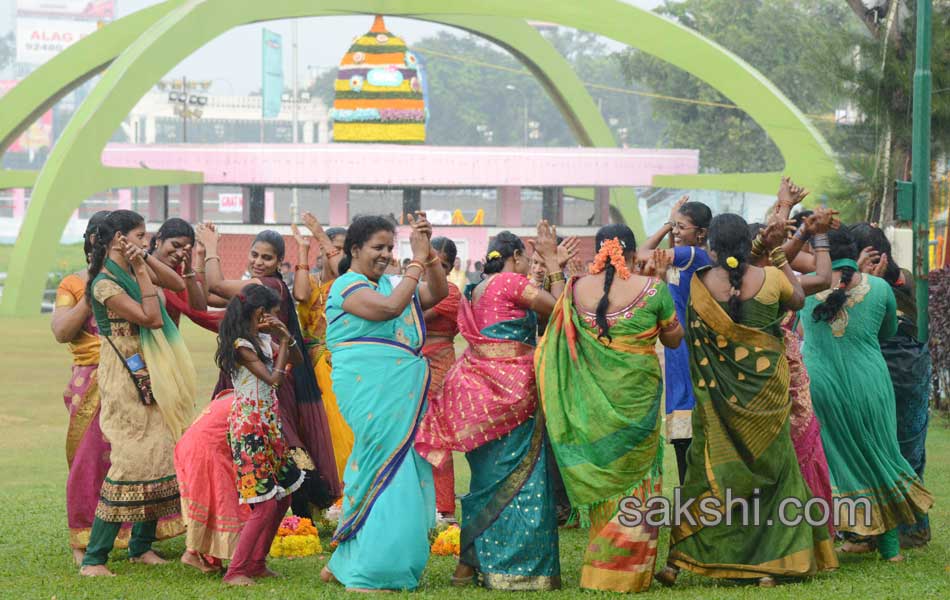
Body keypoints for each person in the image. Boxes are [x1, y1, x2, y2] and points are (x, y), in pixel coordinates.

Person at [658, 213, 836, 587]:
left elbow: (690, 340)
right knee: (774, 474)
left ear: (711, 248)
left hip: (719, 402)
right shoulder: (770, 278)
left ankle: (678, 560)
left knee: (706, 473)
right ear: (747, 244)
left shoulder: (699, 285)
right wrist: (781, 257)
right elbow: (800, 299)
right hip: (767, 397)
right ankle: (772, 566)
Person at [536, 224, 684, 593]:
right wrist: (663, 279)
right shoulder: (654, 291)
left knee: (606, 474)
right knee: (637, 481)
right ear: (632, 255)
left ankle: (601, 569)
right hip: (640, 398)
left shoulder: (574, 290)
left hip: (594, 401)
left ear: (598, 253)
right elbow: (675, 338)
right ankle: (627, 572)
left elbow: (559, 319)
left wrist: (556, 267)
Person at [419, 224, 567, 591]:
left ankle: (466, 568)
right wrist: (554, 266)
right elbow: (563, 313)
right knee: (523, 481)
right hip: (513, 393)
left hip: (477, 394)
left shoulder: (476, 289)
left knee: (487, 481)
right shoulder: (509, 283)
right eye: (526, 259)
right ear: (515, 257)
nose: (528, 266)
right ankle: (517, 571)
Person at [320, 213, 448, 592]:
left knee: (388, 466)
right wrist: (414, 264)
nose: (385, 254)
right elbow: (390, 309)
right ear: (354, 249)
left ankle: (342, 559)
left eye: (390, 247)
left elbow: (437, 294)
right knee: (382, 464)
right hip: (369, 389)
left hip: (397, 393)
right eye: (378, 247)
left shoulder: (395, 284)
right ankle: (375, 567)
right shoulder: (346, 285)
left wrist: (429, 257)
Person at [801, 227, 933, 561]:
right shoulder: (880, 288)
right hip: (871, 384)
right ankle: (890, 550)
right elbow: (889, 330)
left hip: (821, 386)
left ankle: (831, 548)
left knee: (833, 462)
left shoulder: (801, 288)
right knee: (879, 455)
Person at [80, 210, 197, 577]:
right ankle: (94, 559)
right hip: (124, 371)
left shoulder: (135, 266)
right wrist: (143, 270)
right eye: (140, 235)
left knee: (162, 449)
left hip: (154, 366)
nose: (147, 241)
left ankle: (140, 547)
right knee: (131, 458)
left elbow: (177, 286)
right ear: (118, 239)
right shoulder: (103, 283)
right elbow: (151, 317)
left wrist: (142, 259)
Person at [198, 226, 341, 516]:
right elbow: (205, 300)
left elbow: (215, 286)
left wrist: (212, 246)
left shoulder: (269, 287)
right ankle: (260, 513)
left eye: (267, 257)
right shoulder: (255, 289)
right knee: (263, 444)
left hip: (273, 377)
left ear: (278, 263)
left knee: (282, 442)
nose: (259, 261)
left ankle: (302, 514)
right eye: (255, 255)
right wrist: (197, 263)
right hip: (254, 372)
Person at [217, 284, 306, 586]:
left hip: (268, 425)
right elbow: (274, 380)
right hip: (249, 429)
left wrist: (287, 339)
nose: (272, 319)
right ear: (257, 313)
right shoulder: (240, 345)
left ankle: (256, 563)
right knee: (265, 503)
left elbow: (299, 361)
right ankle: (236, 571)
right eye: (268, 314)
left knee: (284, 496)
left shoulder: (262, 340)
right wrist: (283, 341)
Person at [850, 222, 932, 548]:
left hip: (894, 371)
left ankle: (910, 528)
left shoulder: (882, 284)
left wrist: (864, 279)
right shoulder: (899, 278)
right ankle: (896, 529)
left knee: (900, 450)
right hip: (906, 369)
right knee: (895, 450)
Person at [52, 211, 125, 564]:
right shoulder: (74, 283)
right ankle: (82, 540)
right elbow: (61, 332)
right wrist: (93, 289)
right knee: (89, 460)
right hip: (92, 379)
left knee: (130, 457)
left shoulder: (130, 280)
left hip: (131, 375)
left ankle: (133, 539)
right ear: (96, 240)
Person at [639, 196, 712, 484]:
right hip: (677, 348)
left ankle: (695, 501)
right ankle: (690, 500)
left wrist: (666, 225)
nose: (676, 231)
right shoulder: (680, 255)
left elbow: (643, 254)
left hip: (688, 347)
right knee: (683, 434)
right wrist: (671, 225)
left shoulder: (695, 255)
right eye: (675, 226)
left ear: (701, 234)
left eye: (681, 226)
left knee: (690, 430)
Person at [291, 215, 351, 483]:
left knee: (342, 430)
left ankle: (343, 492)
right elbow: (301, 296)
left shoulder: (351, 284)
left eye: (344, 250)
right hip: (309, 368)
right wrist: (303, 250)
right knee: (314, 431)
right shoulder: (312, 281)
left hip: (341, 366)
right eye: (334, 248)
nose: (338, 254)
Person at [415, 237, 462, 524]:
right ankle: (416, 504)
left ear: (450, 267)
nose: (433, 269)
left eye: (441, 265)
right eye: (428, 262)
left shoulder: (452, 293)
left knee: (437, 439)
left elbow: (412, 317)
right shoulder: (411, 290)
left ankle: (444, 509)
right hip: (411, 367)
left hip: (439, 367)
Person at [174, 393, 249, 574]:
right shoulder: (247, 402)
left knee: (213, 504)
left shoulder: (230, 395)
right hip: (205, 452)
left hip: (190, 447)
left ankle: (206, 556)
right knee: (222, 503)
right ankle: (192, 552)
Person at [148, 218, 223, 331]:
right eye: (175, 245)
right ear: (159, 239)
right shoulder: (139, 266)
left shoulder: (182, 276)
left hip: (171, 344)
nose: (179, 254)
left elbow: (200, 311)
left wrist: (188, 271)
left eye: (185, 250)